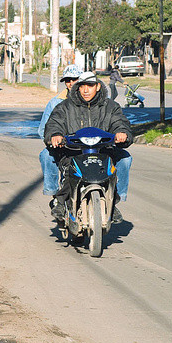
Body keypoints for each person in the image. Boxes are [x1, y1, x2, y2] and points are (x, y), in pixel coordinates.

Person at [44, 71, 133, 223]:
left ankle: (114, 202)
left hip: (104, 151)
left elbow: (120, 122)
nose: (86, 90)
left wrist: (121, 133)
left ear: (97, 87)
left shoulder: (111, 106)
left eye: (90, 86)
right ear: (77, 88)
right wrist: (56, 135)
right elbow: (54, 123)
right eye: (82, 86)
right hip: (74, 151)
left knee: (124, 159)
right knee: (69, 172)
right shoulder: (65, 107)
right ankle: (60, 201)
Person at [38, 64, 81, 200]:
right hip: (65, 146)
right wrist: (55, 139)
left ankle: (113, 200)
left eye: (74, 79)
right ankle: (55, 195)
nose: (71, 83)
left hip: (89, 146)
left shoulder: (92, 100)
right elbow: (43, 129)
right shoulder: (55, 102)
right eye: (68, 80)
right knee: (46, 155)